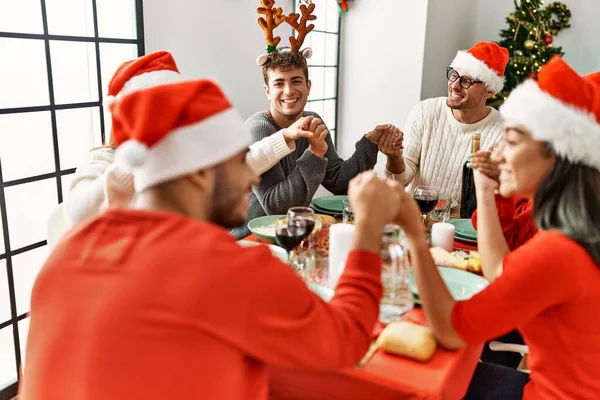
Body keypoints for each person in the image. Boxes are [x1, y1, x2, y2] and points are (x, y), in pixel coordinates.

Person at [21, 76, 404, 400]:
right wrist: (368, 230)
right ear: (199, 174)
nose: (251, 177)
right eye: (239, 162)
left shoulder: (70, 248)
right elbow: (348, 339)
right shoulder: (227, 268)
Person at [392, 56, 600, 399]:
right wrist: (486, 191)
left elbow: (454, 329)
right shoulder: (573, 233)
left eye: (513, 141)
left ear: (558, 157)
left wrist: (413, 232)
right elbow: (504, 274)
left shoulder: (559, 250)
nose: (499, 154)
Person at [61, 51, 312, 229]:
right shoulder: (102, 158)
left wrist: (284, 136)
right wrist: (133, 165)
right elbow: (75, 214)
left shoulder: (183, 153)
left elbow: (235, 169)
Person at [232, 1, 403, 239]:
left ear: (308, 86)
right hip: (247, 237)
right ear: (267, 90)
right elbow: (276, 207)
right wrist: (314, 154)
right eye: (279, 83)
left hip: (288, 233)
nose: (289, 91)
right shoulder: (258, 130)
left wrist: (369, 143)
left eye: (296, 81)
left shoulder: (312, 120)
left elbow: (339, 181)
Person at [396, 41, 509, 203]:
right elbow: (402, 178)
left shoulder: (503, 132)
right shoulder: (425, 111)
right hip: (416, 215)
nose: (455, 85)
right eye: (454, 75)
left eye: (467, 81)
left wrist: (495, 173)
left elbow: (501, 195)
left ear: (489, 91)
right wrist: (394, 158)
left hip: (463, 224)